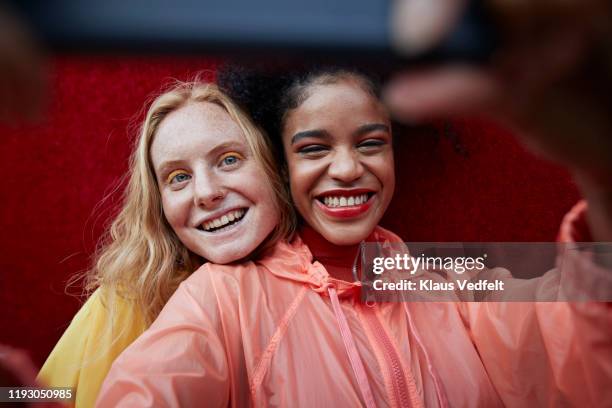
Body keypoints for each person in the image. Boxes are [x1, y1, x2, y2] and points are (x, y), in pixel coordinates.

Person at [96, 65, 611, 406]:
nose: (347, 168)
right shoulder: (225, 296)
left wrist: (596, 165)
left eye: (370, 142)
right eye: (314, 148)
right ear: (280, 163)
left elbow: (578, 320)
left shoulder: (445, 278)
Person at [37, 81, 296, 407]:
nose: (205, 192)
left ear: (277, 168)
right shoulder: (126, 298)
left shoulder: (322, 277)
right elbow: (43, 392)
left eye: (229, 160)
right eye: (179, 177)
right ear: (159, 204)